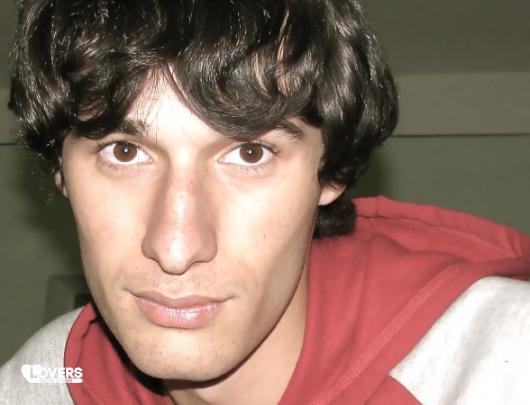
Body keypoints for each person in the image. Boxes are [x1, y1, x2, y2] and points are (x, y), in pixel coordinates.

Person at [1, 0, 530, 404]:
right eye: (124, 151)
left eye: (249, 153)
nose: (176, 248)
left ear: (332, 170)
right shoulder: (39, 384)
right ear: (59, 168)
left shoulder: (504, 366)